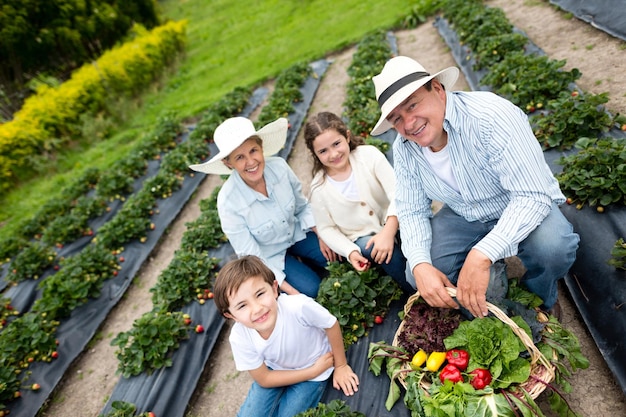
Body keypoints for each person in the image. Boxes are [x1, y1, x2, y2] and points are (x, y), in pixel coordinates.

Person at [370, 56, 579, 318]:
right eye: (396, 118)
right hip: (464, 212)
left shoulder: (491, 117)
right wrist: (420, 264)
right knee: (421, 273)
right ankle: (496, 304)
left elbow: (533, 196)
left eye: (412, 105)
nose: (408, 124)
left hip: (515, 202)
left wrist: (483, 253)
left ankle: (540, 297)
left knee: (553, 247)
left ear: (437, 89)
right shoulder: (405, 150)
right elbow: (411, 210)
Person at [189, 117, 337, 297]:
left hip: (297, 232)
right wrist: (290, 291)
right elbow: (253, 257)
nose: (251, 162)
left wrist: (323, 235)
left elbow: (302, 207)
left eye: (253, 151)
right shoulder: (228, 203)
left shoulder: (280, 168)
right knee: (312, 290)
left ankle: (305, 258)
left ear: (261, 148)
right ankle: (297, 268)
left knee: (336, 255)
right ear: (228, 163)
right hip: (270, 256)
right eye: (239, 157)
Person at [213, 255, 360, 417]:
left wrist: (340, 366)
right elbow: (264, 378)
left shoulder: (298, 306)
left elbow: (331, 324)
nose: (257, 309)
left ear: (274, 288)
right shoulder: (239, 337)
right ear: (231, 315)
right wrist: (311, 371)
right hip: (278, 368)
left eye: (260, 294)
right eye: (242, 305)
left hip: (315, 365)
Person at [303, 111, 413, 293]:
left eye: (336, 144)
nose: (333, 154)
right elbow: (326, 228)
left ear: (347, 136)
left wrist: (389, 230)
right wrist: (350, 251)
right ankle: (414, 290)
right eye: (323, 151)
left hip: (394, 220)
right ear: (315, 154)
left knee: (415, 235)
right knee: (379, 249)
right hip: (361, 237)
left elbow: (398, 193)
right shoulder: (318, 188)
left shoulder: (368, 156)